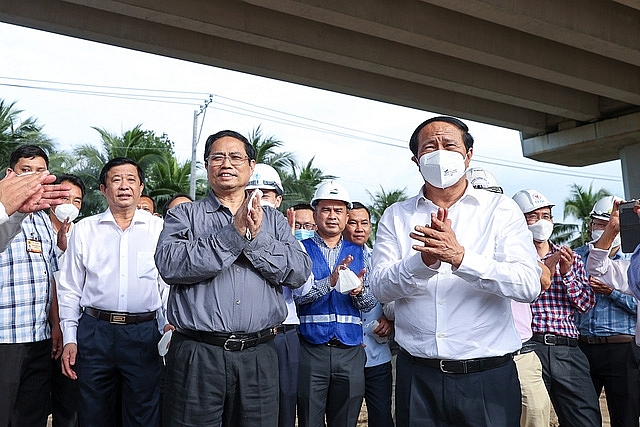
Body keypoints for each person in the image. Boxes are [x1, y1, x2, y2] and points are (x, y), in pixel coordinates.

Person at [371, 116, 540, 427]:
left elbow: (528, 284)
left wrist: (461, 258)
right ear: (416, 160)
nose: (440, 153)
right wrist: (421, 264)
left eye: (449, 145)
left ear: (469, 155)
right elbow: (380, 287)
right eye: (429, 147)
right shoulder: (397, 215)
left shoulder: (500, 210)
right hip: (416, 377)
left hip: (487, 377)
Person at [154, 130, 312, 427]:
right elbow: (170, 264)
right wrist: (232, 235)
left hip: (259, 354)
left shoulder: (274, 221)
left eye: (236, 157)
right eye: (217, 157)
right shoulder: (184, 215)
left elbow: (299, 271)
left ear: (251, 166)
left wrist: (252, 238)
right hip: (198, 353)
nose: (226, 163)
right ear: (206, 165)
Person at [57, 157, 169, 427]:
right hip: (95, 332)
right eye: (116, 180)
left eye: (131, 180)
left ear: (141, 188)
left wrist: (168, 327)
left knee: (143, 414)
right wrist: (70, 338)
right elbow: (70, 289)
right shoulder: (85, 230)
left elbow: (166, 285)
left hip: (143, 333)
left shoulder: (159, 229)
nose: (124, 186)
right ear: (104, 189)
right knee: (93, 413)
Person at [466, 167, 551, 427]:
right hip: (473, 354)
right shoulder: (451, 241)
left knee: (535, 416)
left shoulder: (511, 237)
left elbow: (543, 279)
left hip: (520, 350)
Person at [512, 189, 600, 427]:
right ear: (517, 219)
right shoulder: (513, 260)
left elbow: (585, 305)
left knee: (585, 418)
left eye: (546, 216)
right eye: (533, 216)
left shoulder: (571, 258)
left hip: (567, 349)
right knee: (531, 418)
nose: (542, 222)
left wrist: (568, 273)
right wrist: (542, 273)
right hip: (529, 349)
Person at [295, 180, 376, 427]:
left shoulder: (364, 253)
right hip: (311, 349)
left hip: (350, 350)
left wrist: (359, 292)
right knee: (310, 419)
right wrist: (329, 281)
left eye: (338, 210)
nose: (332, 216)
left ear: (346, 215)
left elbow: (370, 303)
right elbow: (298, 296)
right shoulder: (300, 249)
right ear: (315, 213)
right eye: (326, 210)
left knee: (346, 420)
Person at [0, 145, 63, 427]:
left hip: (38, 337)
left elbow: (50, 275)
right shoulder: (4, 217)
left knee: (32, 416)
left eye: (40, 172)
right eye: (26, 172)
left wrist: (56, 325)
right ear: (9, 175)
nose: (34, 179)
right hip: (4, 338)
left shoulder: (45, 222)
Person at [246, 163, 304, 427]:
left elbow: (303, 287)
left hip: (284, 331)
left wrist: (279, 246)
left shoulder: (294, 242)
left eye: (266, 194)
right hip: (245, 335)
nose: (258, 200)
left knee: (284, 399)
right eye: (251, 193)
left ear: (279, 200)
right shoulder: (232, 235)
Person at [575, 196, 640, 427]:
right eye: (598, 224)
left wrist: (611, 292)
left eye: (608, 224)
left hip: (622, 348)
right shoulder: (575, 257)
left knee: (625, 416)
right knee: (580, 416)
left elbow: (637, 305)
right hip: (583, 347)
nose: (602, 229)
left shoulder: (633, 259)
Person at [342, 201, 394, 427]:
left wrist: (390, 317)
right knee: (343, 417)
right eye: (353, 222)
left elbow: (396, 294)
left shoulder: (379, 261)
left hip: (377, 353)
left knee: (382, 417)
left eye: (364, 223)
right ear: (343, 224)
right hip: (343, 356)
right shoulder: (334, 261)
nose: (359, 228)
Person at [48, 173, 85, 427]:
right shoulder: (29, 228)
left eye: (77, 200)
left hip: (72, 329)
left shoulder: (83, 235)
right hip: (39, 331)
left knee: (69, 401)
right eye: (64, 197)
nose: (70, 204)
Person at [0, 163, 70, 250]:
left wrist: (60, 249)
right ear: (10, 173)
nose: (33, 177)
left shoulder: (45, 219)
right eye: (26, 170)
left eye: (40, 172)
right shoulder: (3, 210)